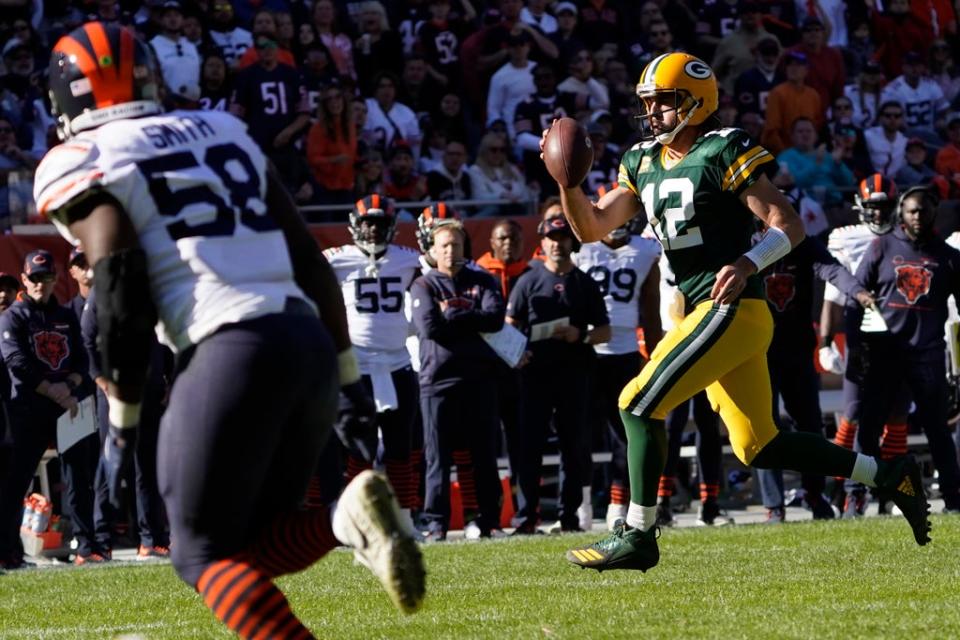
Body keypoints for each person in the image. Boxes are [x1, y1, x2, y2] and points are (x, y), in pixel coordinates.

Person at [32, 22, 423, 636]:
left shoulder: (84, 159)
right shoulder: (223, 129)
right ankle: (344, 522)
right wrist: (346, 379)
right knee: (253, 543)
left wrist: (121, 428)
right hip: (306, 340)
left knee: (198, 554)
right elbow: (308, 261)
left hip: (227, 349)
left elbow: (119, 286)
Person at [553, 52, 931, 572]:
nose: (654, 112)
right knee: (758, 444)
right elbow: (592, 227)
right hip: (705, 316)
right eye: (648, 102)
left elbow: (788, 224)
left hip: (730, 308)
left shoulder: (723, 147)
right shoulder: (640, 160)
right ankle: (887, 475)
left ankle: (638, 532)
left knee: (636, 403)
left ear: (696, 101)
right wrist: (566, 182)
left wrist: (749, 263)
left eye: (664, 100)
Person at [753, 212, 874, 522]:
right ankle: (774, 505)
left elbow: (833, 270)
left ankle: (814, 493)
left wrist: (858, 292)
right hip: (757, 351)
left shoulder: (802, 244)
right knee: (764, 429)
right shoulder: (745, 244)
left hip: (797, 350)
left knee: (810, 424)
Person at [853, 185, 960, 513]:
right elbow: (855, 288)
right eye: (911, 210)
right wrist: (858, 345)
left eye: (923, 210)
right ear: (901, 212)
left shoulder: (949, 257)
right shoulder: (882, 246)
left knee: (938, 431)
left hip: (927, 356)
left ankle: (954, 500)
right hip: (886, 354)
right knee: (869, 428)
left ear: (934, 212)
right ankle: (860, 497)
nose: (917, 216)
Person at [507, 210, 611, 533]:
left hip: (575, 375)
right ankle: (526, 517)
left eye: (563, 237)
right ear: (542, 241)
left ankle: (568, 517)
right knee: (529, 448)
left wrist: (579, 336)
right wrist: (519, 350)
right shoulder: (528, 280)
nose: (557, 244)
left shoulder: (585, 283)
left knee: (574, 447)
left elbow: (605, 331)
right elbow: (510, 325)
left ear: (572, 241)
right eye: (551, 238)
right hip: (535, 376)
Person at [323, 195, 423, 530]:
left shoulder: (410, 259)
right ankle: (356, 521)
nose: (373, 229)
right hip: (357, 365)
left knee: (400, 447)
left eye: (380, 223)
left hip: (397, 363)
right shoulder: (337, 259)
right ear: (355, 223)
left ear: (392, 226)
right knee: (355, 447)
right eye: (368, 222)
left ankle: (405, 520)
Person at [818, 175, 913, 515]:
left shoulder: (906, 235)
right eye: (872, 207)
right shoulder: (846, 238)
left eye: (884, 207)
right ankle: (841, 483)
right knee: (854, 413)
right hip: (861, 332)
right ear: (860, 208)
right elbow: (832, 294)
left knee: (898, 413)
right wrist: (826, 342)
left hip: (900, 333)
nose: (878, 215)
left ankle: (893, 491)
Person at [0, 250, 98, 567]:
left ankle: (88, 547)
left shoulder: (66, 316)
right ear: (25, 280)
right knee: (18, 481)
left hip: (67, 407)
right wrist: (55, 391)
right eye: (35, 278)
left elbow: (82, 359)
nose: (41, 284)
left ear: (56, 278)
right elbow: (17, 363)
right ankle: (8, 551)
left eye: (46, 277)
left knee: (78, 475)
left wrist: (68, 387)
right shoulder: (13, 316)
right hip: (28, 409)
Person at [411, 221, 506, 540]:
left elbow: (494, 320)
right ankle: (436, 523)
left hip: (480, 379)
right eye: (444, 246)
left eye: (456, 244)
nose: (451, 251)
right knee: (437, 457)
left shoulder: (483, 279)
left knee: (484, 455)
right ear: (433, 250)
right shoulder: (423, 285)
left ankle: (490, 520)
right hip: (437, 381)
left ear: (465, 247)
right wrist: (468, 316)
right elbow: (429, 328)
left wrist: (452, 313)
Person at [574, 204, 662, 531]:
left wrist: (655, 354)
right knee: (579, 432)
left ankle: (616, 503)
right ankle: (580, 503)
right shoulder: (580, 249)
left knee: (623, 434)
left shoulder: (644, 251)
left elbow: (651, 308)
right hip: (586, 350)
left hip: (625, 352)